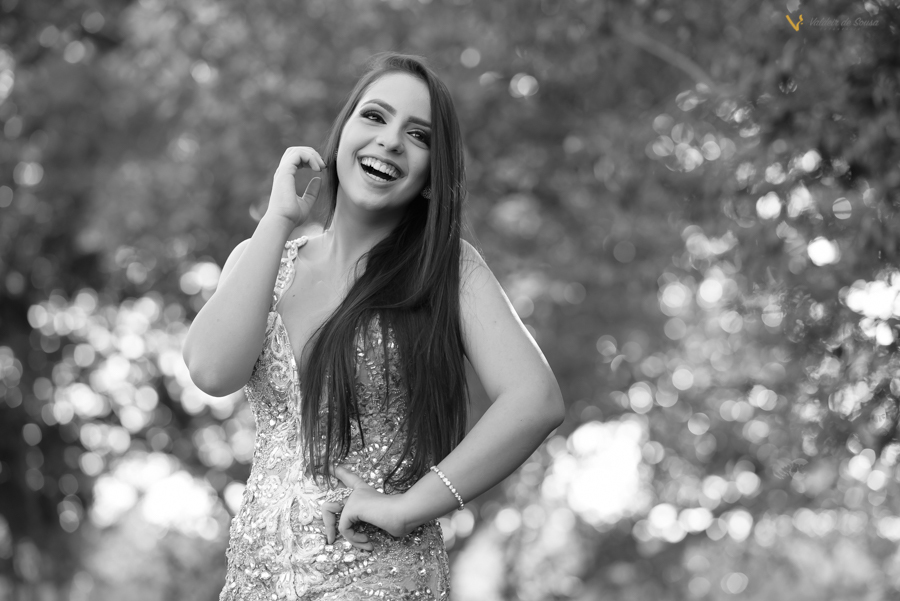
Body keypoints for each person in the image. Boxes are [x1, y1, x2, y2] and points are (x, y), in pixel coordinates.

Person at [183, 52, 565, 600]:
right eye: (375, 116)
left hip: (378, 577)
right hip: (257, 578)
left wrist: (411, 507)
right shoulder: (261, 256)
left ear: (432, 176)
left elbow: (536, 400)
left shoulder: (449, 269)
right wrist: (278, 219)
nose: (390, 141)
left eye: (418, 135)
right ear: (342, 134)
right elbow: (211, 371)